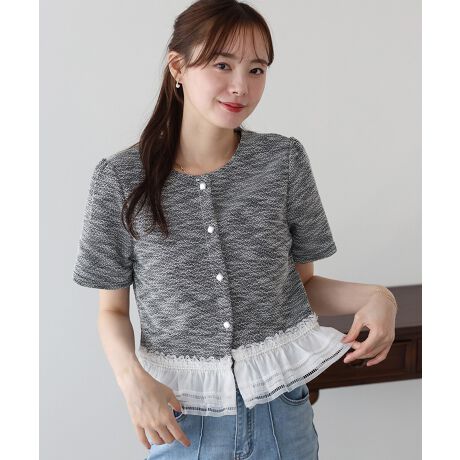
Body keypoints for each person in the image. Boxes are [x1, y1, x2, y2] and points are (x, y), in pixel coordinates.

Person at [72, 1, 398, 459]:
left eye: (256, 69)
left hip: (282, 414)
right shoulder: (121, 179)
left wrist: (378, 296)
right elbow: (111, 311)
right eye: (222, 65)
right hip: (182, 418)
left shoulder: (283, 161)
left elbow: (302, 286)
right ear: (178, 67)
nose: (241, 86)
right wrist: (132, 382)